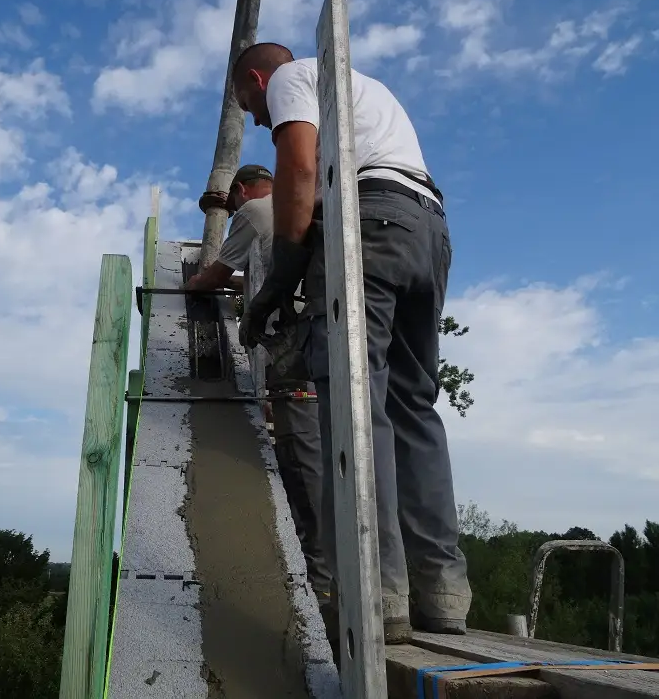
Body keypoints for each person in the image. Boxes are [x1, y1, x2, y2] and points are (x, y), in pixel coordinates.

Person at [232, 42, 472, 646]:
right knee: (413, 406)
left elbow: (302, 172)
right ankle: (443, 595)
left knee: (355, 405)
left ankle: (381, 596)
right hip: (429, 228)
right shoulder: (365, 90)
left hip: (372, 222)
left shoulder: (291, 77)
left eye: (251, 106)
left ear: (258, 78)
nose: (260, 121)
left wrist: (275, 285)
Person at [186, 164, 333, 604]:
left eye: (232, 201)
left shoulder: (252, 211)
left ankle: (321, 575)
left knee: (301, 453)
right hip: (320, 337)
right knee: (321, 448)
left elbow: (215, 275)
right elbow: (257, 273)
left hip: (289, 347)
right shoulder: (295, 207)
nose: (233, 208)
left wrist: (194, 283)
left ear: (242, 190)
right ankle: (337, 563)